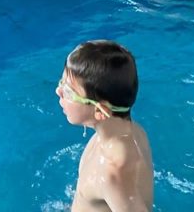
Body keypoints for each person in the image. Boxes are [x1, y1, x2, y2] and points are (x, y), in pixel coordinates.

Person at [56, 40, 153, 212]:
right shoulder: (134, 132)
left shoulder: (112, 172)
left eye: (69, 91)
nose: (58, 91)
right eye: (62, 82)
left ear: (100, 111)